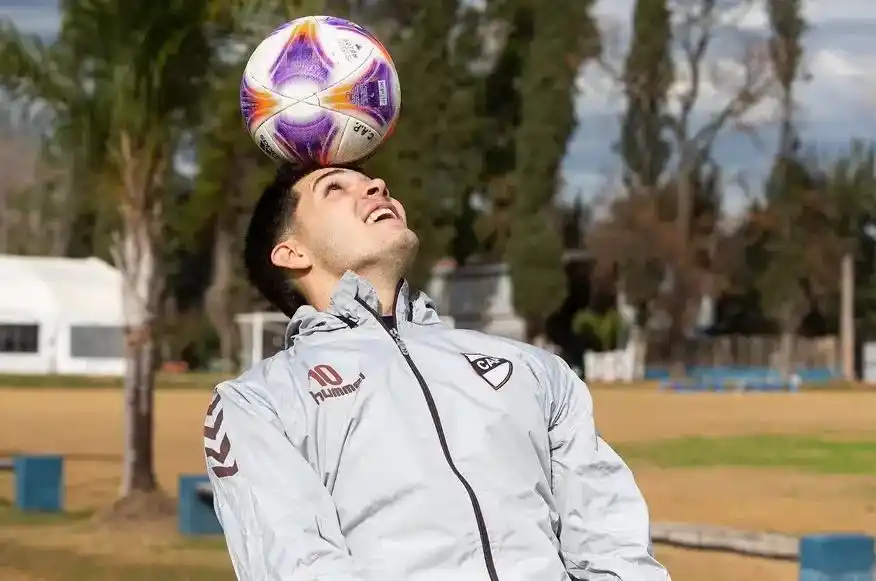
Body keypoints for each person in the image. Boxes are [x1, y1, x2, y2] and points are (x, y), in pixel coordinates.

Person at [204, 163, 671, 581]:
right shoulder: (258, 402)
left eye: (373, 181)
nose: (378, 187)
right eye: (335, 188)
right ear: (291, 253)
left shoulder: (533, 369)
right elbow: (295, 563)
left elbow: (610, 538)